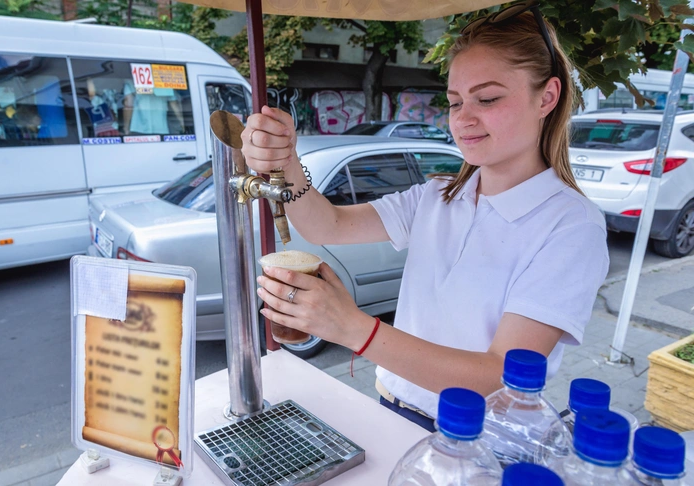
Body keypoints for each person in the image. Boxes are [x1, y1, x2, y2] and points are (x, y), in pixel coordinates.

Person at [241, 2, 610, 432]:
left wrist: (352, 328)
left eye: (487, 98)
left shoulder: (570, 224)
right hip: (390, 409)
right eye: (455, 102)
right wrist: (286, 160)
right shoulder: (440, 195)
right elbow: (328, 226)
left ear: (546, 97)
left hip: (476, 437)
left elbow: (500, 378)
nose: (464, 119)